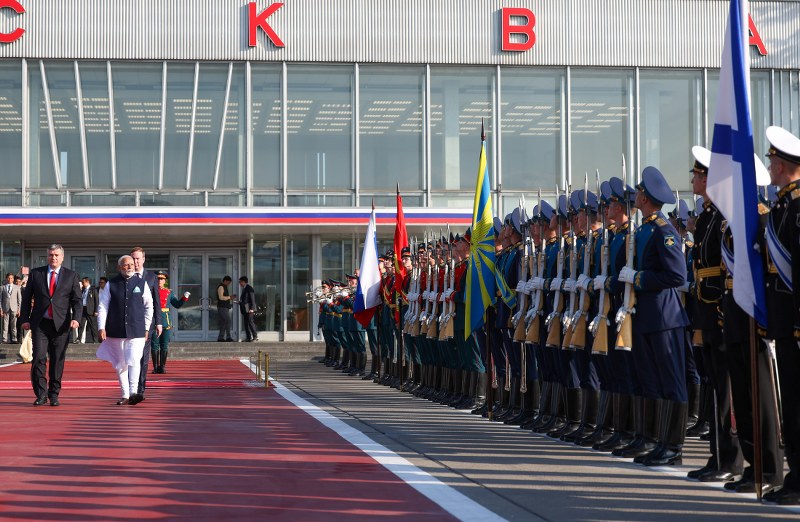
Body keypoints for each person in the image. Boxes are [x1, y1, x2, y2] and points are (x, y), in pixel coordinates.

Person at [761, 125, 800, 505]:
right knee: (791, 402)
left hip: (795, 321)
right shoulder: (783, 205)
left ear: (785, 164)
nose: (769, 165)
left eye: (772, 160)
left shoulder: (798, 206)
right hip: (785, 321)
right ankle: (795, 476)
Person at [19, 244, 83, 407]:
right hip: (40, 324)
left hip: (61, 325)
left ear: (62, 257)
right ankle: (41, 394)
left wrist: (76, 318)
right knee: (38, 358)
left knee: (57, 360)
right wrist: (24, 319)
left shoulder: (71, 275)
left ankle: (54, 394)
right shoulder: (36, 274)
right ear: (47, 256)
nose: (53, 258)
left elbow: (77, 300)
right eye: (50, 255)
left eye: (56, 255)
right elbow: (26, 299)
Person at [96, 255, 154, 405]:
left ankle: (134, 392)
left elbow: (149, 306)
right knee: (120, 362)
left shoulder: (141, 283)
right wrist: (101, 326)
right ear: (118, 267)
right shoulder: (111, 284)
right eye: (125, 265)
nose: (129, 267)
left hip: (137, 329)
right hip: (115, 329)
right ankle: (125, 394)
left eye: (131, 264)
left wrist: (147, 327)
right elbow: (103, 306)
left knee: (134, 359)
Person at [130, 246, 162, 403]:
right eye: (133, 258)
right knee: (130, 357)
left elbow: (156, 301)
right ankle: (131, 388)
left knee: (143, 356)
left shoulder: (151, 277)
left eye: (138, 258)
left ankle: (140, 389)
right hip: (129, 323)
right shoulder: (126, 275)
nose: (135, 262)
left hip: (146, 324)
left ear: (143, 259)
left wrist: (159, 322)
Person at [151, 271, 189, 373]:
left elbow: (176, 304)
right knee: (155, 345)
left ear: (165, 281)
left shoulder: (169, 292)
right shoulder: (150, 291)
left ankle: (162, 366)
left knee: (164, 345)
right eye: (158, 278)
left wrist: (184, 298)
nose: (160, 280)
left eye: (162, 279)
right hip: (154, 319)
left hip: (166, 320)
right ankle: (155, 367)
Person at [1, 272, 22, 344]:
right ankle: (4, 339)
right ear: (6, 278)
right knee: (5, 324)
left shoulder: (17, 287)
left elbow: (19, 300)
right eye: (9, 278)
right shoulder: (2, 287)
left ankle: (14, 338)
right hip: (5, 308)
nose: (10, 279)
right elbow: (0, 300)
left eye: (12, 278)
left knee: (14, 324)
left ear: (13, 279)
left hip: (14, 308)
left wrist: (19, 310)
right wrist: (1, 309)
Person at [78, 277, 99, 343]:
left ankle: (95, 340)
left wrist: (96, 310)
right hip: (83, 309)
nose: (82, 283)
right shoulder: (83, 290)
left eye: (83, 282)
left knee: (93, 325)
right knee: (81, 325)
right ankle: (79, 339)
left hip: (90, 310)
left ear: (87, 282)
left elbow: (96, 301)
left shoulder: (93, 290)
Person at [238, 276, 258, 342]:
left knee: (250, 322)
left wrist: (252, 308)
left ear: (244, 282)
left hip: (249, 309)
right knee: (246, 323)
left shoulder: (249, 288)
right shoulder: (244, 288)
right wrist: (240, 302)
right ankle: (248, 337)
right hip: (245, 309)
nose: (239, 283)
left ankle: (255, 337)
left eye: (240, 282)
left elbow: (252, 299)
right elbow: (245, 299)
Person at [216, 275, 235, 342]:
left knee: (223, 322)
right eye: (228, 282)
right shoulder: (221, 287)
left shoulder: (224, 287)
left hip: (224, 307)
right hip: (222, 307)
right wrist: (229, 297)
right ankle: (228, 337)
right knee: (227, 321)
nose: (229, 284)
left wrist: (229, 297)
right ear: (225, 281)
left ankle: (220, 338)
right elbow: (221, 297)